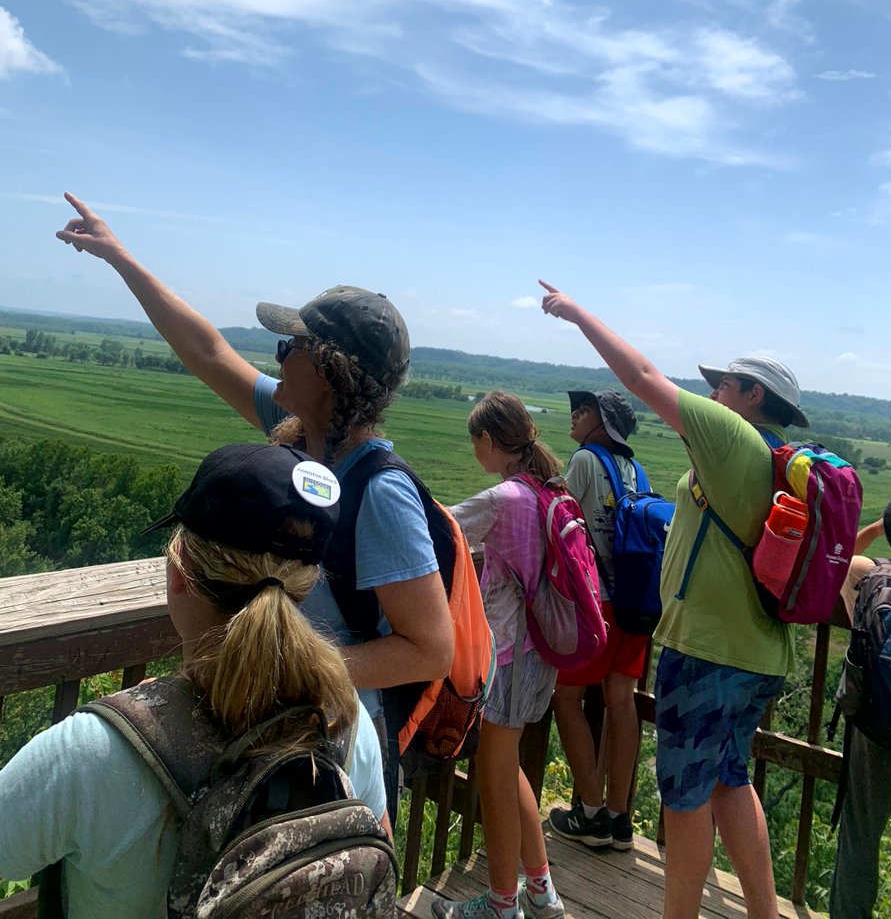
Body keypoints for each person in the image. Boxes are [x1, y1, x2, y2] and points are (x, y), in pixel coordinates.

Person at [55, 192, 454, 820]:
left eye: (289, 346)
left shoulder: (381, 491)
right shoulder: (298, 435)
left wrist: (290, 668)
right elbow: (208, 352)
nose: (277, 358)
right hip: (276, 731)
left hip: (338, 744)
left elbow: (431, 650)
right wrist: (120, 258)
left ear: (328, 372)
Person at [0, 441, 388, 919]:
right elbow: (378, 846)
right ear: (304, 588)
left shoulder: (91, 754)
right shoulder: (343, 721)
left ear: (178, 571)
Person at [540, 282, 803, 919]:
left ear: (753, 396)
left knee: (684, 799)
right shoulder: (777, 458)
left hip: (707, 651)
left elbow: (641, 377)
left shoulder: (732, 438)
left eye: (724, 385)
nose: (713, 395)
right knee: (729, 781)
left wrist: (577, 313)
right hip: (759, 652)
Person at [433, 391, 565, 919]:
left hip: (508, 652)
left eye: (475, 442)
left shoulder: (505, 498)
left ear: (488, 440)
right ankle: (541, 892)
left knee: (494, 777)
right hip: (541, 652)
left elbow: (438, 529)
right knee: (509, 768)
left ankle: (502, 905)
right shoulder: (547, 489)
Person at [548, 389, 648, 852]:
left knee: (566, 699)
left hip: (596, 603)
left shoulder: (586, 460)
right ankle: (620, 817)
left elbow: (557, 518)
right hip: (636, 603)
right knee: (621, 701)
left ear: (602, 424)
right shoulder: (636, 470)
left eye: (585, 410)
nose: (575, 414)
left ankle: (590, 814)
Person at [830, 494, 891, 919]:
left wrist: (876, 528)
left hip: (875, 730)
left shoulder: (870, 577)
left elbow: (838, 560)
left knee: (860, 838)